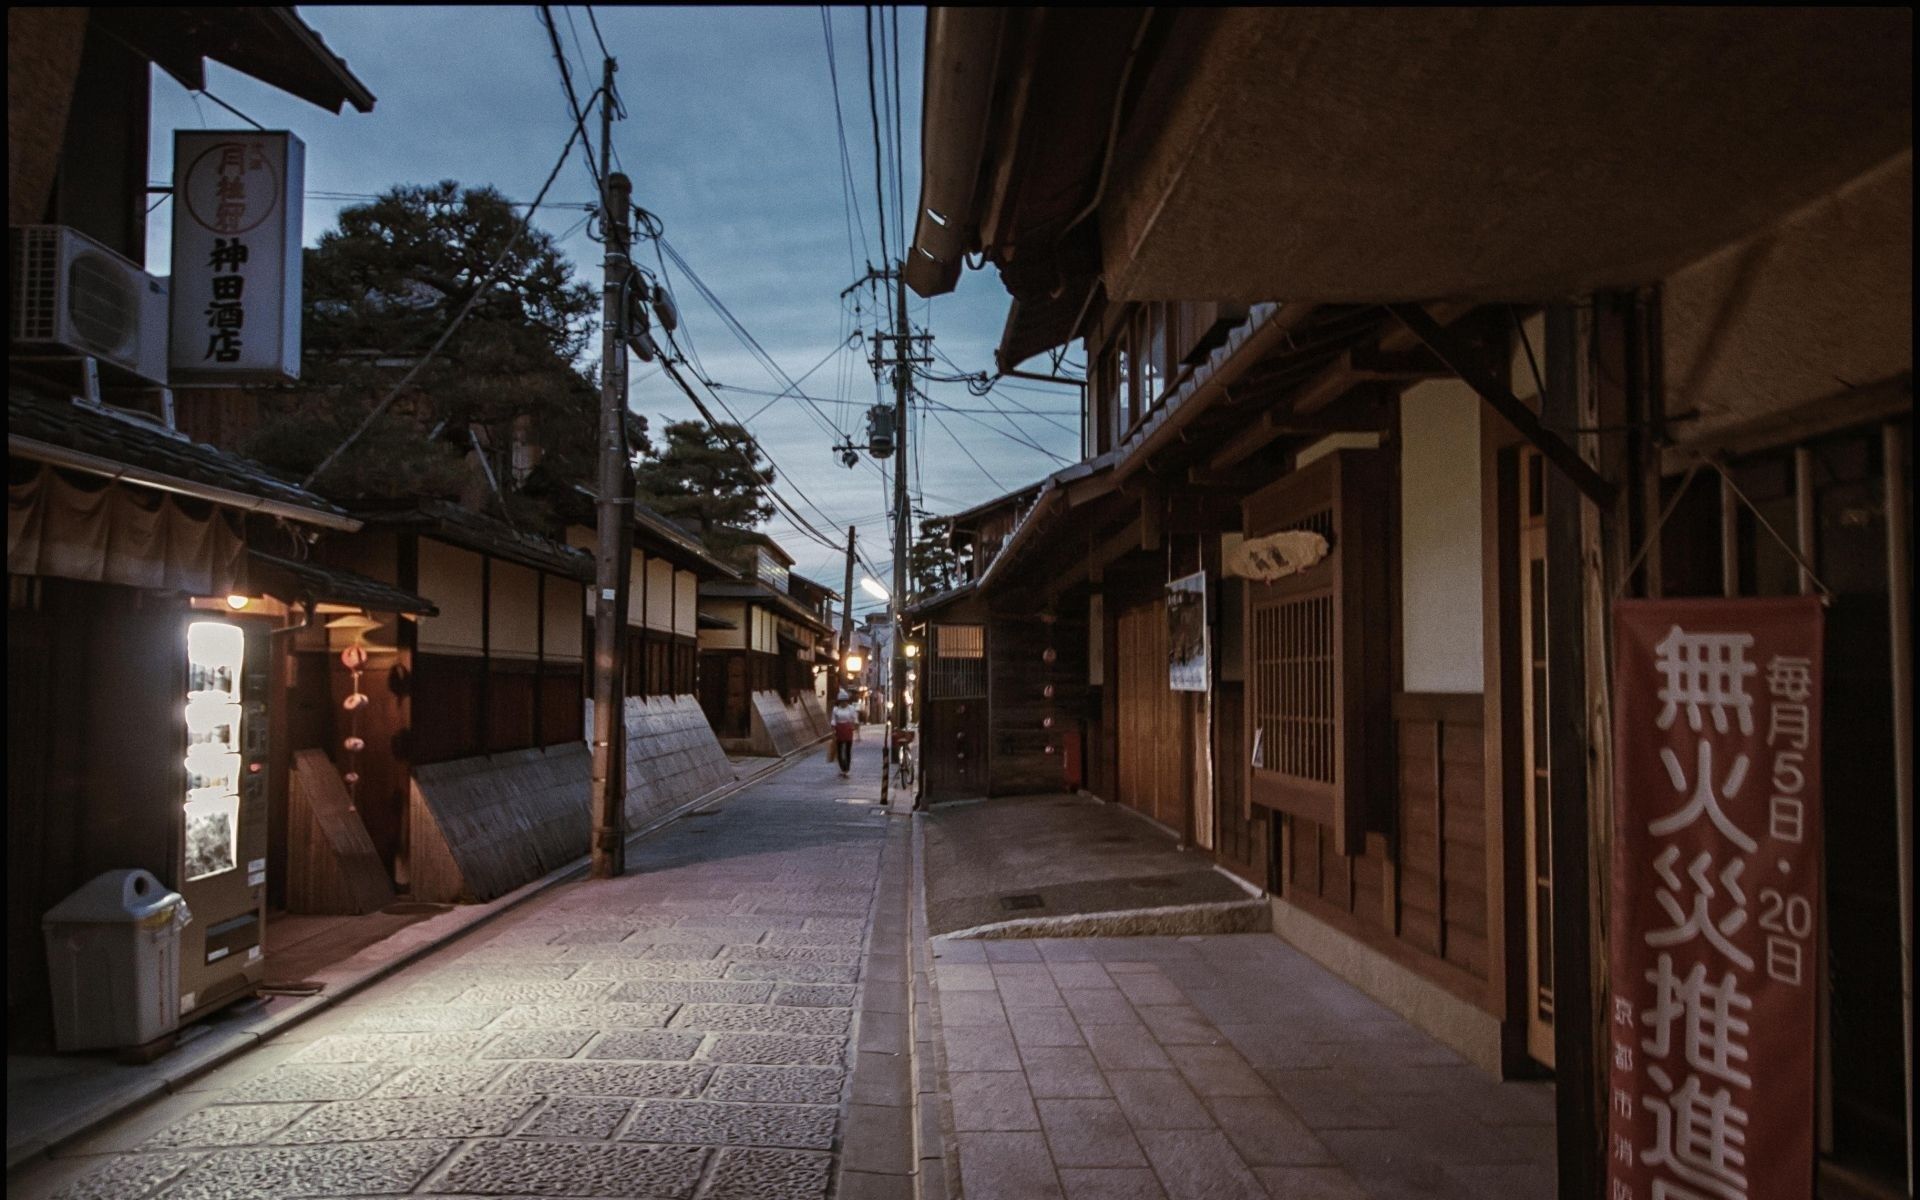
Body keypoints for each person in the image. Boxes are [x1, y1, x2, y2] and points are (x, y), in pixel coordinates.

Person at [831, 690, 860, 777]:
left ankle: (847, 768)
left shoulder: (851, 708)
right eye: (842, 701)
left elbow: (855, 719)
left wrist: (855, 727)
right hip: (839, 729)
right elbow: (833, 720)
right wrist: (833, 731)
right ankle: (842, 767)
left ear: (847, 701)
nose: (843, 703)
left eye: (845, 701)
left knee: (848, 749)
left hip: (848, 729)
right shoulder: (836, 709)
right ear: (839, 701)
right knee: (839, 750)